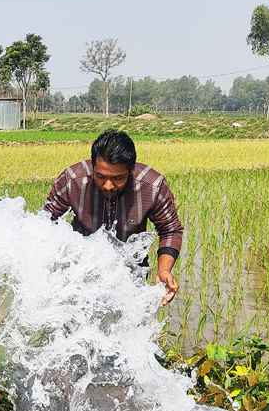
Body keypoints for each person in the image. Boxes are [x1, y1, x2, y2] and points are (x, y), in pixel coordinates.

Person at [42, 129, 183, 307]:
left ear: (131, 169)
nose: (108, 186)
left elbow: (170, 230)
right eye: (100, 176)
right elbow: (45, 224)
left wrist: (164, 270)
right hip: (80, 268)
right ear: (93, 166)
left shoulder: (153, 186)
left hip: (129, 270)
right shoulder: (72, 180)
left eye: (118, 178)